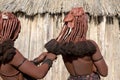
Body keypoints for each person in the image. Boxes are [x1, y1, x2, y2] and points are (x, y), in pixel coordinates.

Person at [45, 7, 108, 80]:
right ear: (83, 24)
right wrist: (93, 67)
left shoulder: (62, 45)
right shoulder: (90, 45)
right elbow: (104, 72)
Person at [0, 12, 57, 80]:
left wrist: (37, 60)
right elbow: (39, 74)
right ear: (9, 31)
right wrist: (49, 59)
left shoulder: (2, 51)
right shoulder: (9, 53)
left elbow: (18, 67)